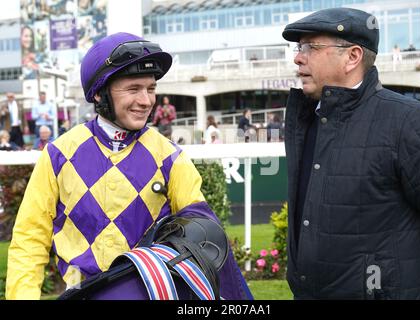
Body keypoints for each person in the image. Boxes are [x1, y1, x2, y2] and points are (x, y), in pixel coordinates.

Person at [6, 32, 252, 300]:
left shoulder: (170, 158)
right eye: (133, 89)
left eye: (151, 88)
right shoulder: (57, 155)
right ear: (100, 94)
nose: (146, 101)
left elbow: (206, 238)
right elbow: (29, 242)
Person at [282, 7, 420, 300]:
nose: (298, 57)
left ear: (353, 56)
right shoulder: (307, 121)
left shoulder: (409, 122)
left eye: (311, 47)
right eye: (299, 47)